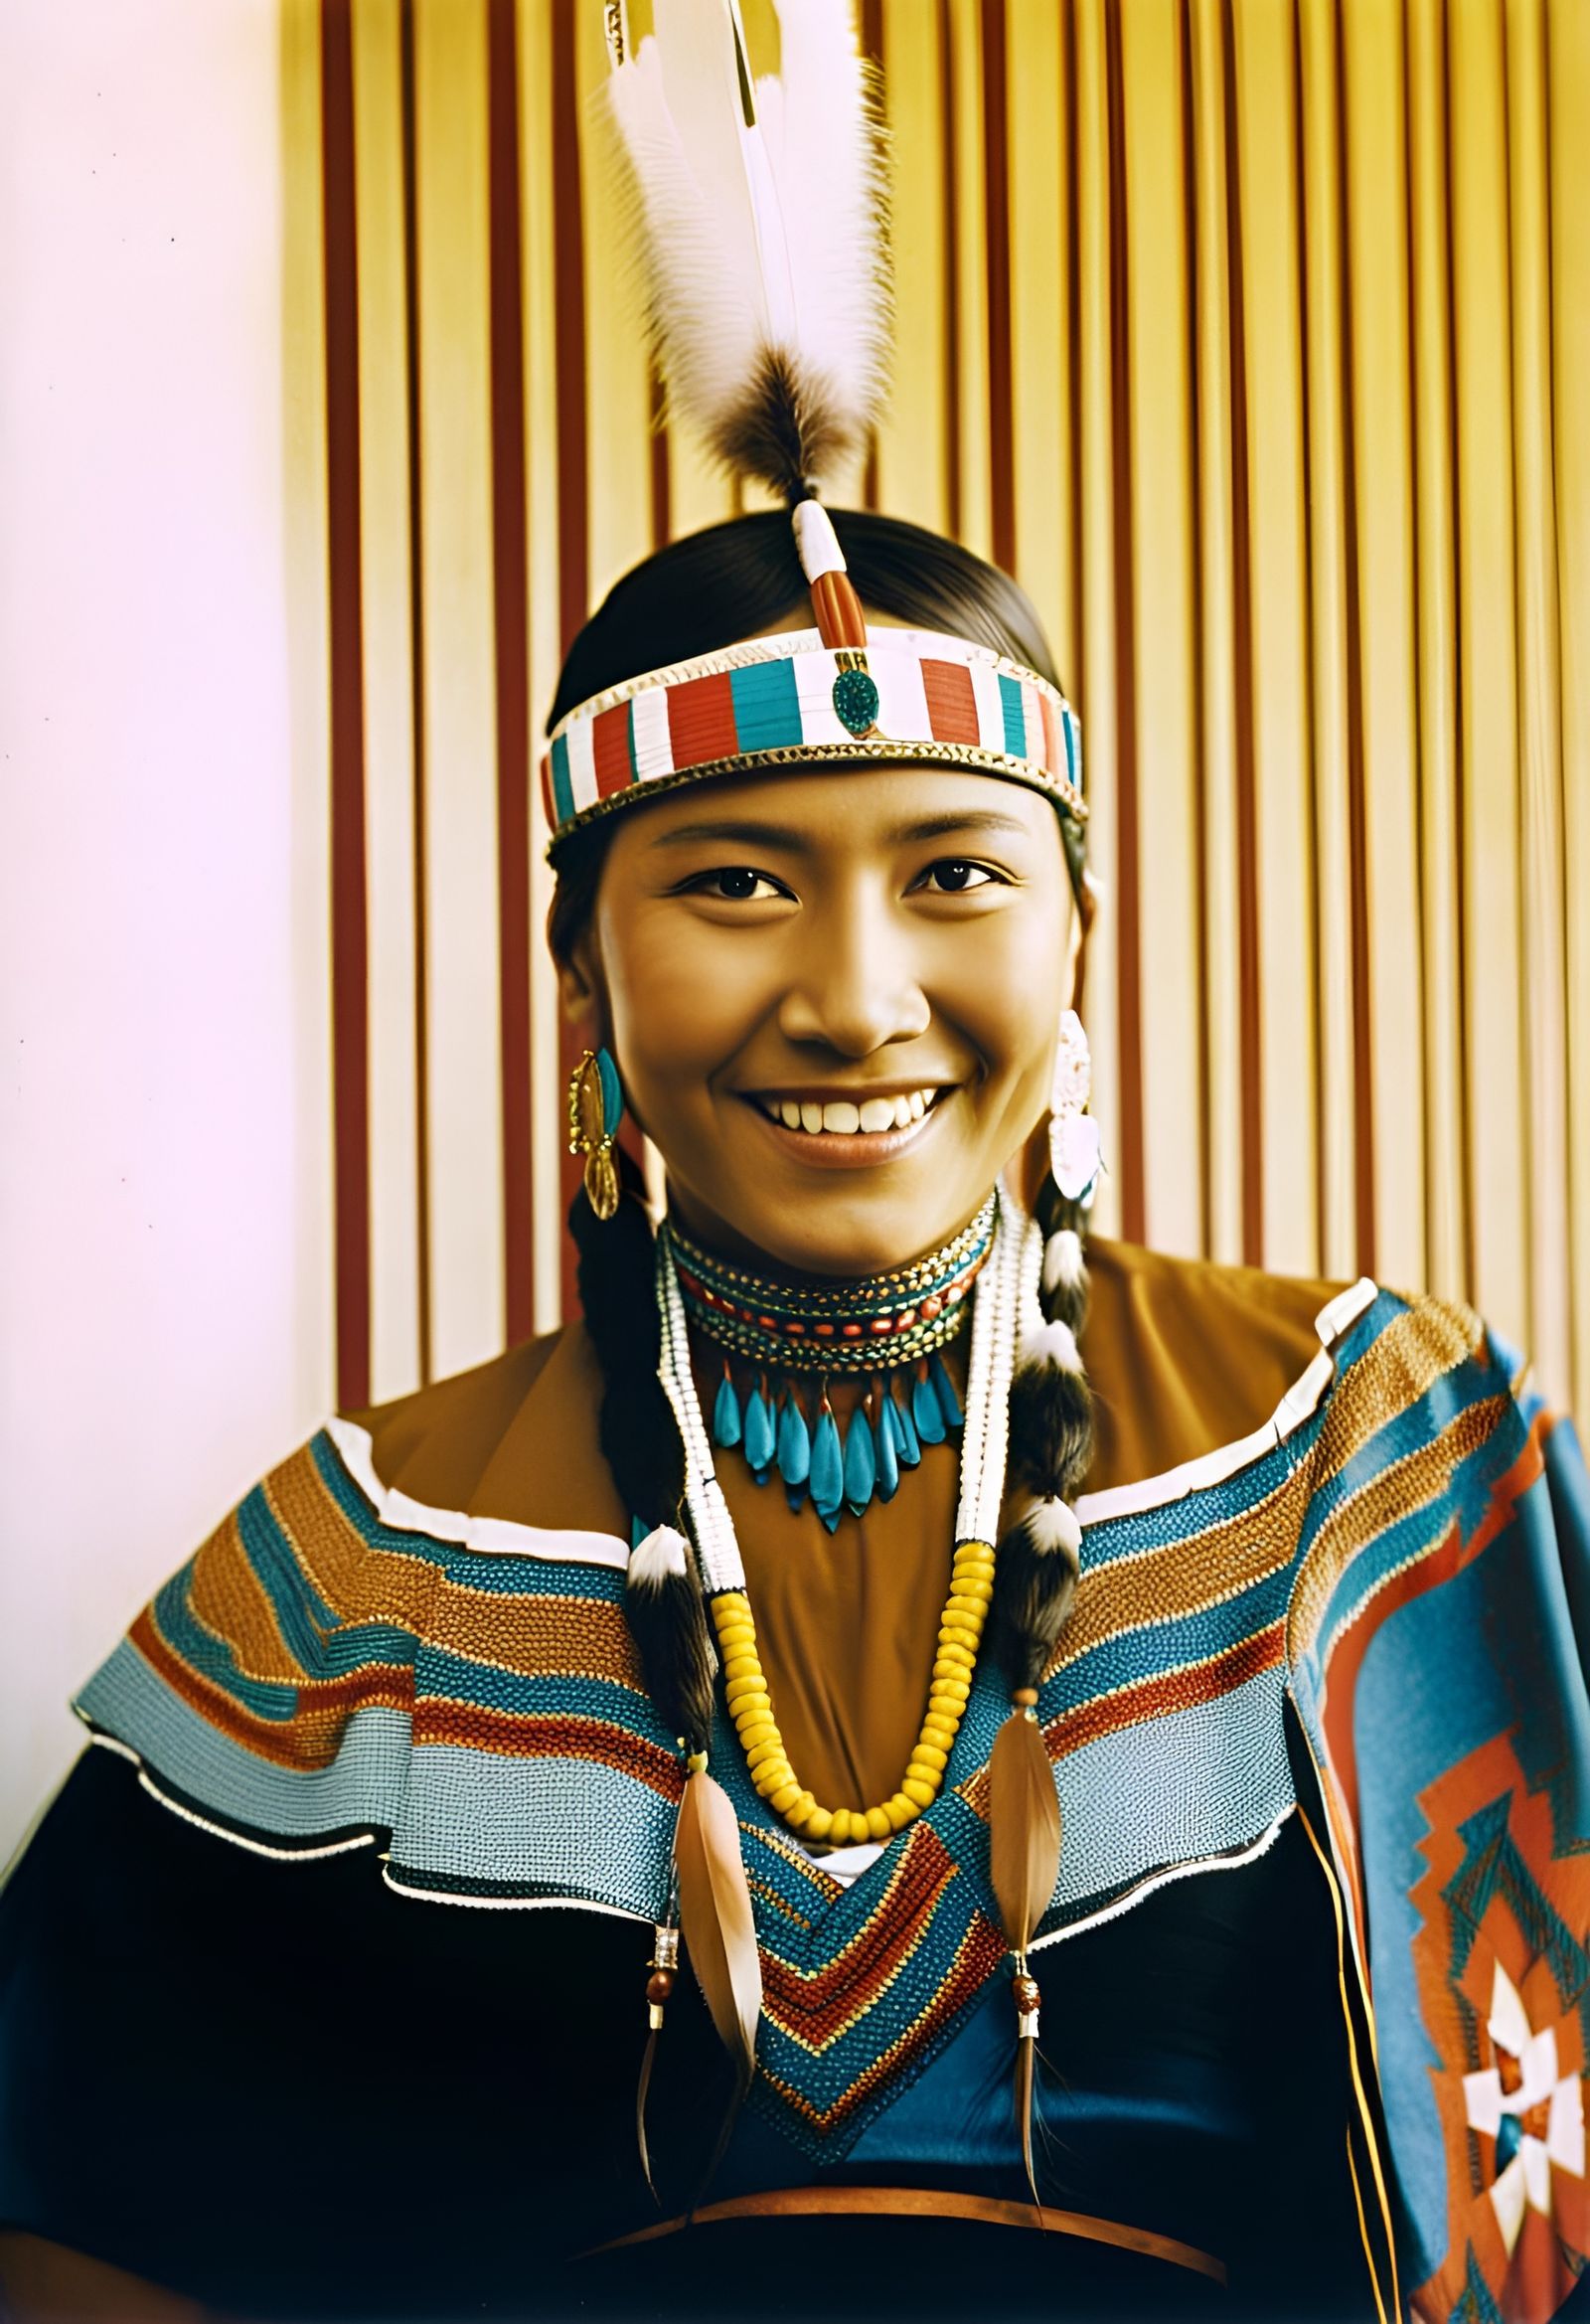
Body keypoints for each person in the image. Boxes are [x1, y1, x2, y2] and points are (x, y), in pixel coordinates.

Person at [4, 7, 1588, 2321]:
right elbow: (86, 2234)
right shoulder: (348, 1578)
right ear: (583, 966)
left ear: (1075, 937)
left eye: (953, 876)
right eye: (733, 883)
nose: (852, 995)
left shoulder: (1369, 1452)